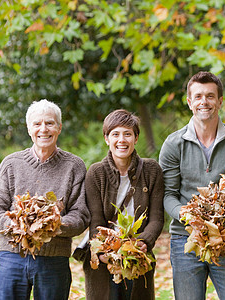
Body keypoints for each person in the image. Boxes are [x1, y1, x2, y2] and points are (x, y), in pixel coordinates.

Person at [159, 71, 225, 300]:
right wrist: (188, 216)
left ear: (220, 101)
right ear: (189, 102)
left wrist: (224, 218)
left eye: (210, 96)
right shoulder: (173, 144)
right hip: (185, 237)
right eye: (198, 96)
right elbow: (168, 195)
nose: (204, 102)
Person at [0, 99, 90, 300]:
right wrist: (15, 225)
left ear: (59, 127)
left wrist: (53, 225)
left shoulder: (74, 166)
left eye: (49, 123)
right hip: (12, 256)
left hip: (54, 259)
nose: (44, 129)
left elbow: (81, 214)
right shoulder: (11, 164)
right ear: (29, 129)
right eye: (37, 124)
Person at [83, 109, 164, 300]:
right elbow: (95, 220)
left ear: (136, 138)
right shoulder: (96, 173)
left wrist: (143, 242)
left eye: (127, 134)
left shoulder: (151, 170)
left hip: (139, 253)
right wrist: (104, 250)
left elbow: (157, 217)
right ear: (106, 139)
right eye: (115, 134)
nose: (122, 140)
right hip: (105, 255)